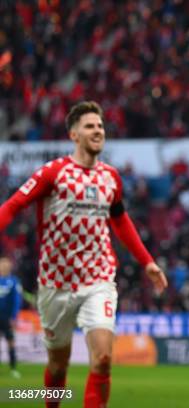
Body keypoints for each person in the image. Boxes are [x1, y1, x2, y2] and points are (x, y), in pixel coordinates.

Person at [0, 101, 168, 408]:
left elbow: (120, 220)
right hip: (56, 282)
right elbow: (12, 206)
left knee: (103, 358)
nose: (98, 131)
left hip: (98, 278)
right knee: (58, 365)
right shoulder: (53, 173)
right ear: (74, 134)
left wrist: (147, 262)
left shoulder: (111, 178)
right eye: (90, 126)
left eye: (101, 126)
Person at [0, 257, 21, 378]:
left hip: (7, 317)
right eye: (2, 264)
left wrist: (14, 316)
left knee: (10, 342)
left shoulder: (14, 281)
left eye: (5, 265)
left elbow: (16, 300)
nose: (3, 267)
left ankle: (13, 368)